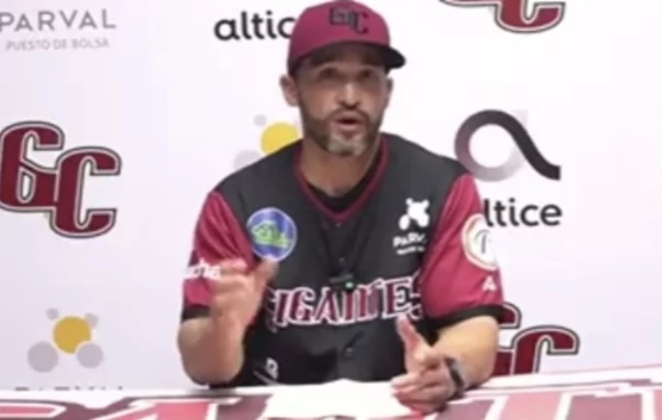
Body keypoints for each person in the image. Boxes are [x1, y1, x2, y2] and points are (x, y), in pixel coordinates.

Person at [177, 0, 505, 413]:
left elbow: (473, 325)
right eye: (328, 76)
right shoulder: (237, 201)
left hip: (399, 407)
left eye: (367, 77)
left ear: (387, 92)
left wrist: (447, 369)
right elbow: (202, 364)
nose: (350, 97)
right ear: (291, 89)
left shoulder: (440, 185)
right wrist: (223, 330)